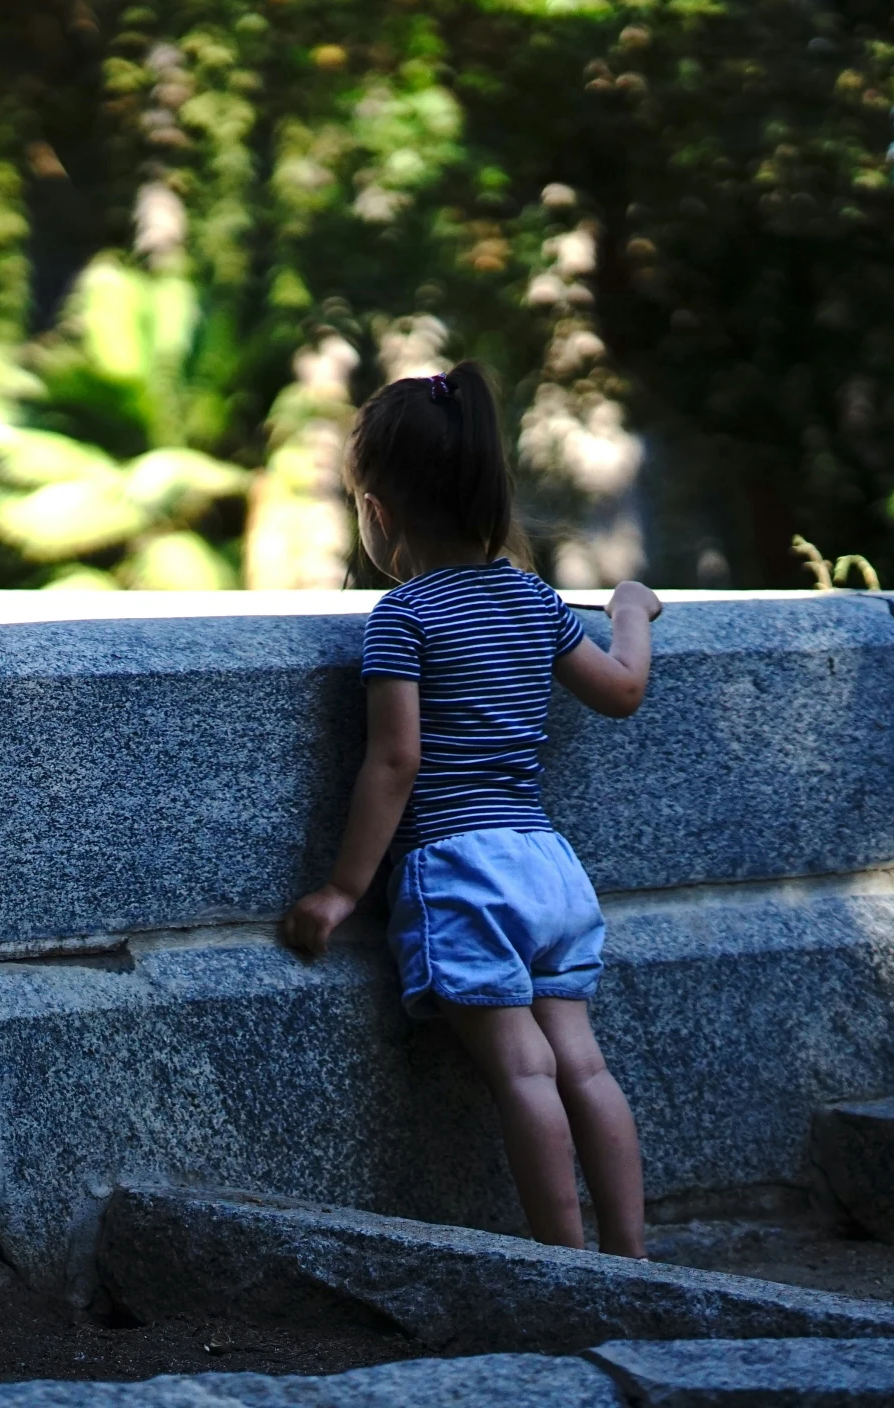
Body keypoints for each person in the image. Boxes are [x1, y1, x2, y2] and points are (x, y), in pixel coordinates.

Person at [280, 361, 659, 1258]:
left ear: (376, 510)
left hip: (463, 873)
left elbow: (394, 760)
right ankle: (635, 1258)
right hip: (547, 866)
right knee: (582, 1065)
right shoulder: (532, 598)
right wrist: (630, 610)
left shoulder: (403, 617)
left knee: (522, 1072)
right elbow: (622, 690)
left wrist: (339, 891)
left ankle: (565, 1268)